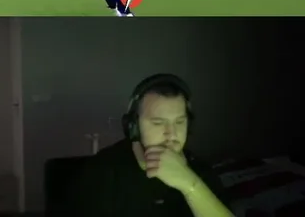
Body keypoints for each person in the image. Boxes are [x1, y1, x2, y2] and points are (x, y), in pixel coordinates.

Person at [70, 75, 231, 217]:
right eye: (158, 123)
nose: (172, 134)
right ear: (134, 127)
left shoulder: (201, 172)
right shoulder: (103, 170)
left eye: (179, 122)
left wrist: (190, 184)